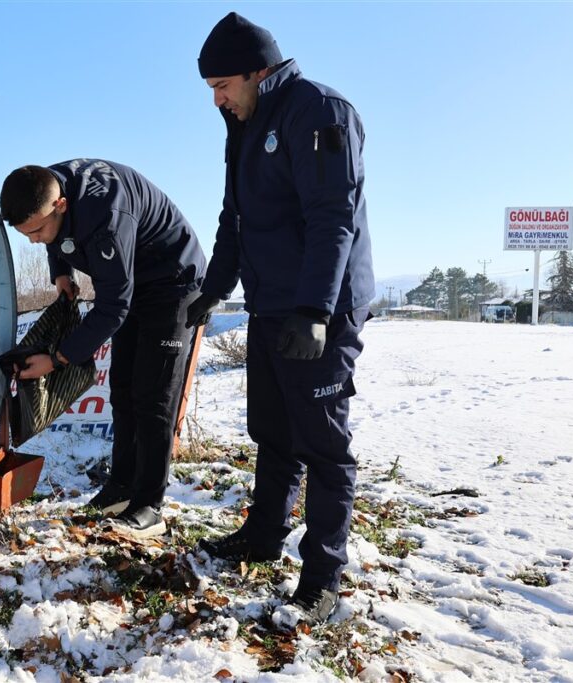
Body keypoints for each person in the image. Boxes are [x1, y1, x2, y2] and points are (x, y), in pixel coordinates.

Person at [187, 13, 375, 622]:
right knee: (272, 430)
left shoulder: (317, 111)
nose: (216, 98)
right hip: (270, 306)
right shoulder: (242, 123)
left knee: (323, 445)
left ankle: (323, 575)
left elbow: (332, 218)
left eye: (222, 85)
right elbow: (232, 219)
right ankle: (265, 534)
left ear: (257, 71)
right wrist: (212, 291)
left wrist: (316, 311)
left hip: (321, 309)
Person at [0, 160, 207, 540]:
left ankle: (150, 505)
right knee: (123, 390)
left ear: (60, 206)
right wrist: (60, 271)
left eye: (37, 231)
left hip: (173, 283)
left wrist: (59, 358)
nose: (33, 239)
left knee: (154, 396)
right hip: (131, 284)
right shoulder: (45, 185)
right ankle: (121, 487)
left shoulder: (105, 216)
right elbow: (55, 237)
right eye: (25, 234)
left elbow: (113, 306)